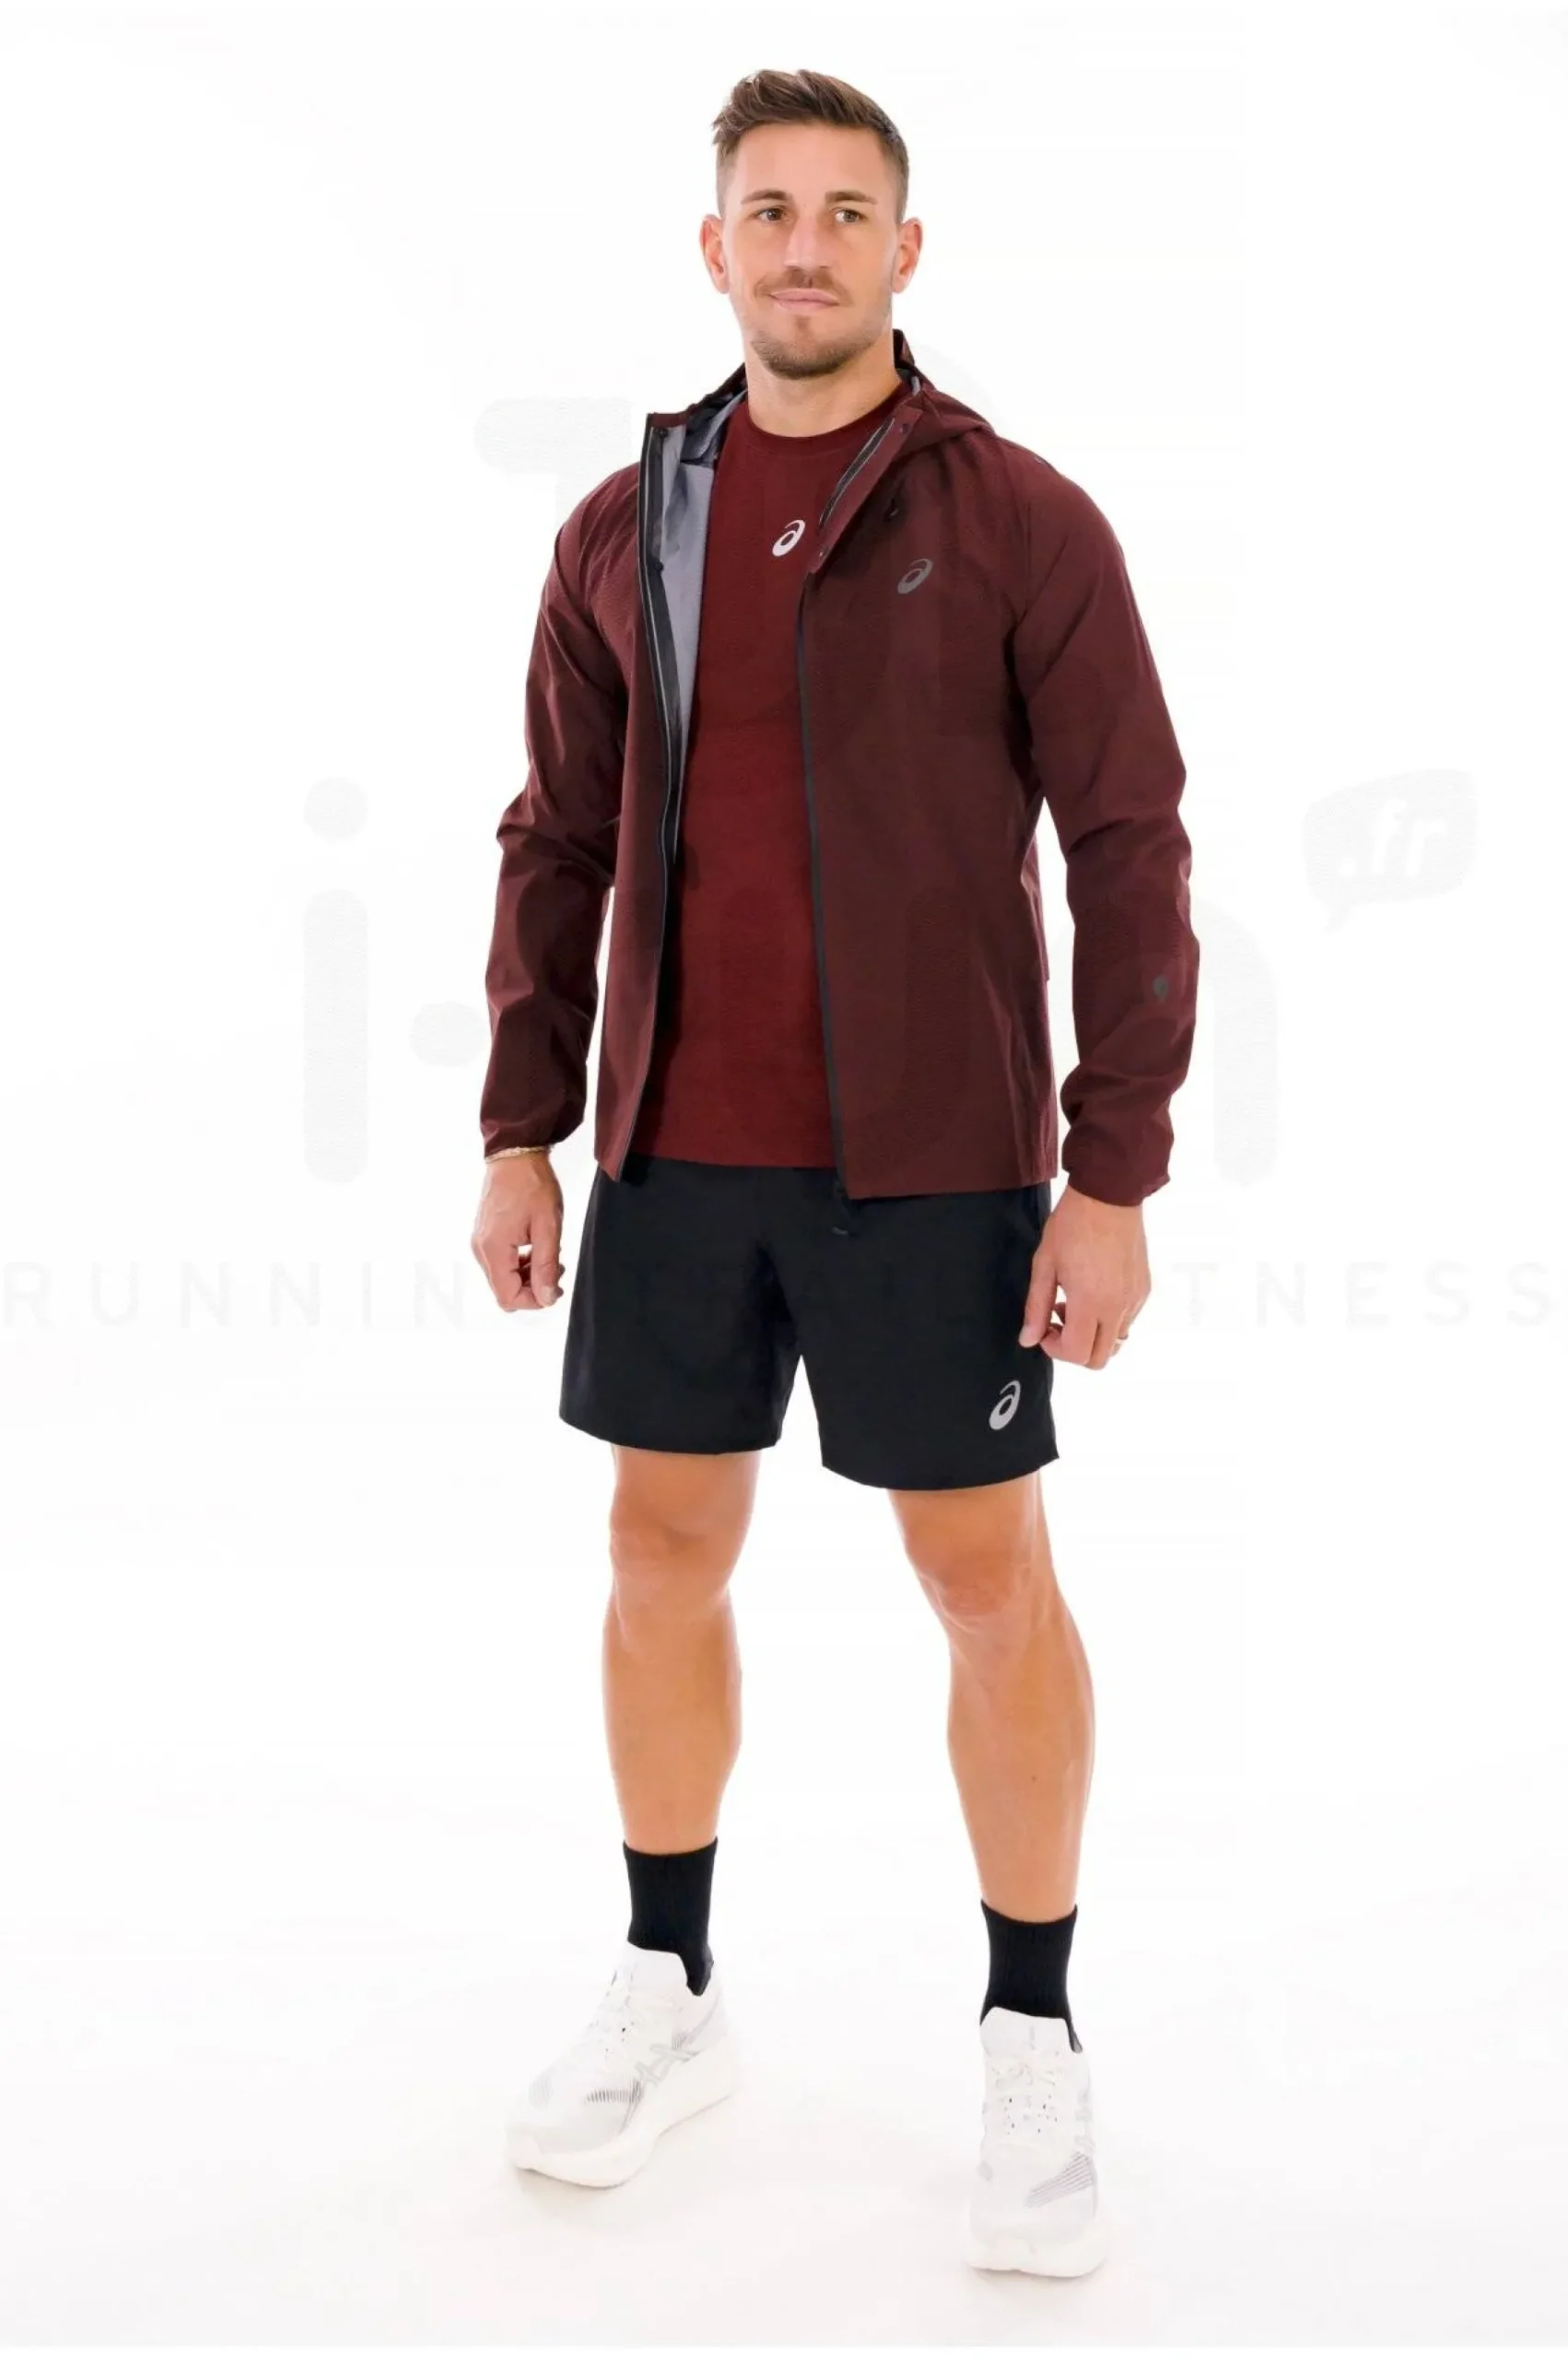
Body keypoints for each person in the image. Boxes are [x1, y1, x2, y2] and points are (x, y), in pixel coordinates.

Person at [471, 66, 1198, 2279]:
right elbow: (557, 834)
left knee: (982, 1579)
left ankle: (1030, 2027)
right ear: (715, 249)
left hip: (940, 1162)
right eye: (767, 210)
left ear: (904, 248)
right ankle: (666, 1979)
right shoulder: (624, 525)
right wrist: (519, 1123)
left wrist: (1112, 1171)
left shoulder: (1019, 518)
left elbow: (1129, 842)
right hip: (675, 1143)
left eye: (843, 211)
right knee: (655, 1546)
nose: (803, 246)